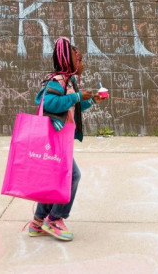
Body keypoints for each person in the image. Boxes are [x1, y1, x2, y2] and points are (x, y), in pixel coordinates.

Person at [27, 37, 105, 241]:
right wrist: (77, 97)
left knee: (56, 178)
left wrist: (92, 100)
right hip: (52, 139)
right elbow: (49, 102)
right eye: (78, 59)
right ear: (67, 61)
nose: (82, 63)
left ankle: (37, 223)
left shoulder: (69, 82)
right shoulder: (57, 81)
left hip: (62, 138)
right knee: (73, 176)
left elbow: (72, 108)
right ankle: (54, 219)